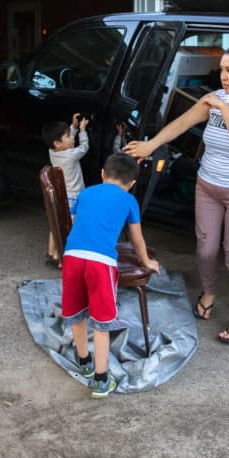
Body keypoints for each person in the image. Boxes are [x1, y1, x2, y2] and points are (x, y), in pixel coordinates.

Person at [124, 45, 229, 345]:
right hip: (208, 185)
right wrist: (150, 145)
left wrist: (223, 107)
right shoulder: (214, 99)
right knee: (206, 249)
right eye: (222, 70)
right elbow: (181, 124)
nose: (224, 77)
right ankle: (208, 292)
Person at [62, 152, 160, 398]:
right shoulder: (128, 201)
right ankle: (101, 379)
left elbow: (75, 221)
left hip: (72, 257)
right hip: (101, 262)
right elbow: (136, 238)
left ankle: (84, 361)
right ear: (132, 183)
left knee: (77, 313)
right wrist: (147, 261)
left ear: (103, 174)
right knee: (101, 322)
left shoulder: (85, 193)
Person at [42, 113, 90, 267]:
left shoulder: (53, 152)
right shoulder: (71, 155)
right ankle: (61, 258)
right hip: (74, 197)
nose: (72, 138)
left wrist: (73, 127)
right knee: (70, 228)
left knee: (56, 225)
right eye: (68, 136)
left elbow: (64, 143)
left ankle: (51, 253)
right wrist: (82, 130)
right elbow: (84, 147)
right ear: (57, 142)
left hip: (62, 195)